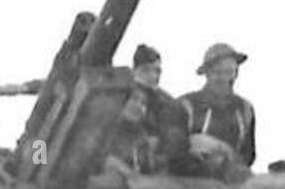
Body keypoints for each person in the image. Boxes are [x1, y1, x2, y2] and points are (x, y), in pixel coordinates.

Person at [176, 42, 256, 178]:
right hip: (190, 186)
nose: (224, 78)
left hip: (231, 186)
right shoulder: (187, 105)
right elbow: (173, 153)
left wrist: (230, 163)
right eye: (218, 72)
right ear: (207, 74)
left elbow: (248, 155)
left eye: (229, 72)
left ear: (236, 73)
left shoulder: (245, 109)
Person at [106, 43, 186, 174]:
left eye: (157, 71)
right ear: (135, 70)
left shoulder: (169, 104)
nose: (153, 76)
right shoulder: (120, 94)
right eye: (146, 70)